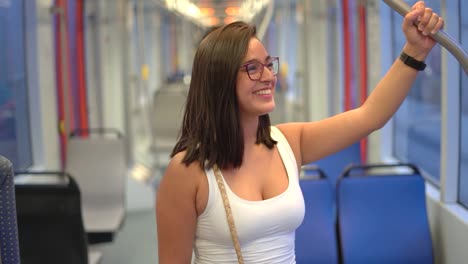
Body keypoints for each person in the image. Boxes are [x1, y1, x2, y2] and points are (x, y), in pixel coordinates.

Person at [156, 1, 444, 263]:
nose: (269, 76)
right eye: (253, 68)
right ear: (220, 80)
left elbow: (371, 116)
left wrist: (414, 50)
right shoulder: (187, 172)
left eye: (269, 65)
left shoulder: (288, 143)